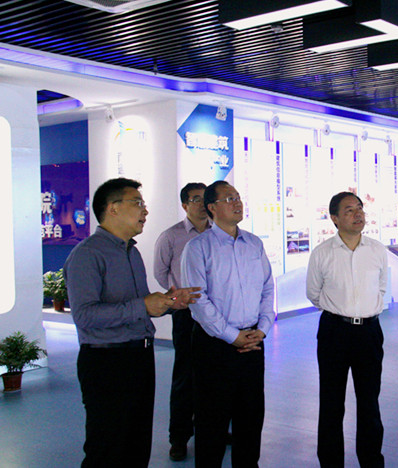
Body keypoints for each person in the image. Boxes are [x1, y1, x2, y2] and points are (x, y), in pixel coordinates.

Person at [63, 177, 199, 467]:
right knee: (107, 448)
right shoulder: (87, 255)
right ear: (112, 208)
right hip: (107, 363)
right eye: (137, 203)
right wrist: (143, 305)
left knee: (137, 446)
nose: (145, 211)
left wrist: (169, 303)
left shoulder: (131, 251)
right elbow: (84, 315)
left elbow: (139, 307)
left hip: (140, 357)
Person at [181, 180, 275, 467]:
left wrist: (262, 329)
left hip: (253, 342)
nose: (237, 203)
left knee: (250, 419)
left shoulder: (254, 243)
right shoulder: (198, 248)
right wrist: (232, 336)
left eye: (238, 197)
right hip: (215, 345)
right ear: (211, 207)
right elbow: (198, 300)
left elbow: (267, 288)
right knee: (212, 421)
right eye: (229, 198)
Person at [306, 191, 388, 468]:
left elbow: (381, 288)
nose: (358, 214)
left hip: (369, 332)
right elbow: (313, 293)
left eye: (360, 208)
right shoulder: (322, 253)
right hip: (335, 332)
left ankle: (371, 461)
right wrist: (340, 310)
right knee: (331, 402)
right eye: (350, 210)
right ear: (334, 218)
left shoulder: (376, 250)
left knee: (369, 402)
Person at [154, 182, 211, 461]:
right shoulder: (171, 236)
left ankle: (213, 429)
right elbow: (160, 272)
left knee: (214, 375)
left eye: (205, 198)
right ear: (184, 204)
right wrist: (178, 297)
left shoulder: (218, 233)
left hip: (216, 314)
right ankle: (179, 437)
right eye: (195, 199)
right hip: (186, 314)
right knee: (185, 377)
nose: (201, 204)